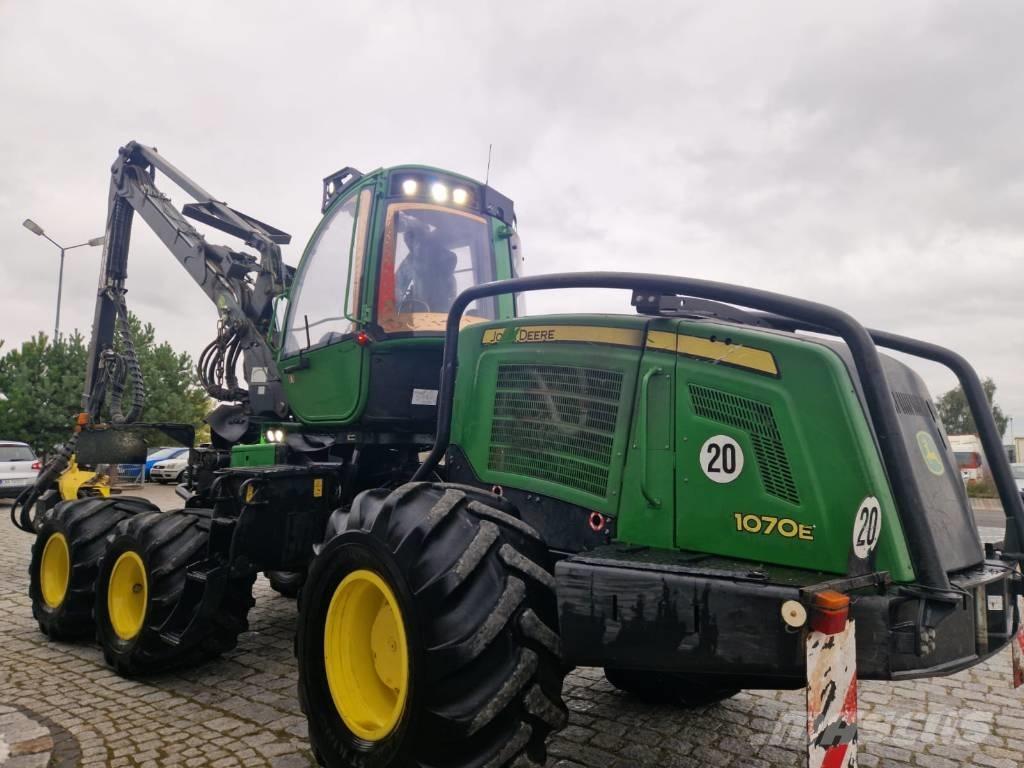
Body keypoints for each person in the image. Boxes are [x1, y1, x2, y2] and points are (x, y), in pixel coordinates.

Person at [395, 228, 458, 313]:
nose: (411, 247)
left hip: (439, 316)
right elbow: (397, 286)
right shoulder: (412, 261)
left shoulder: (426, 259)